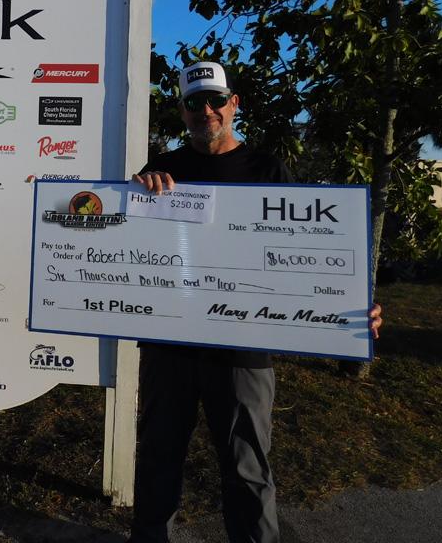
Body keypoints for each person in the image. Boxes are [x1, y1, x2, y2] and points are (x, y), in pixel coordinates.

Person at [128, 62, 382, 543]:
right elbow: (129, 247)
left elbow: (303, 252)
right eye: (194, 102)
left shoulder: (268, 169)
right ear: (182, 111)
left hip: (244, 347)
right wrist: (137, 193)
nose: (206, 110)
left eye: (215, 100)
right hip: (170, 343)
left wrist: (349, 307)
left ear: (233, 104)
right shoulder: (160, 170)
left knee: (247, 467)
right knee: (159, 455)